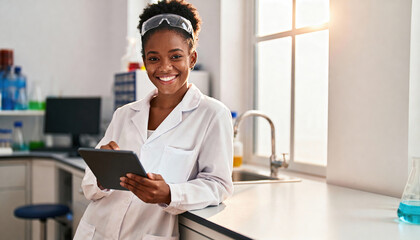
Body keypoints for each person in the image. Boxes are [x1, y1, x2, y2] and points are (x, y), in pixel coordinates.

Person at [73, 0, 233, 239]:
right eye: (154, 58)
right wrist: (101, 175)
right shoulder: (125, 114)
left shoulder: (212, 114)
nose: (165, 68)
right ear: (144, 61)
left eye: (176, 56)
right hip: (96, 230)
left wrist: (170, 193)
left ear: (192, 58)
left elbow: (219, 186)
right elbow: (88, 186)